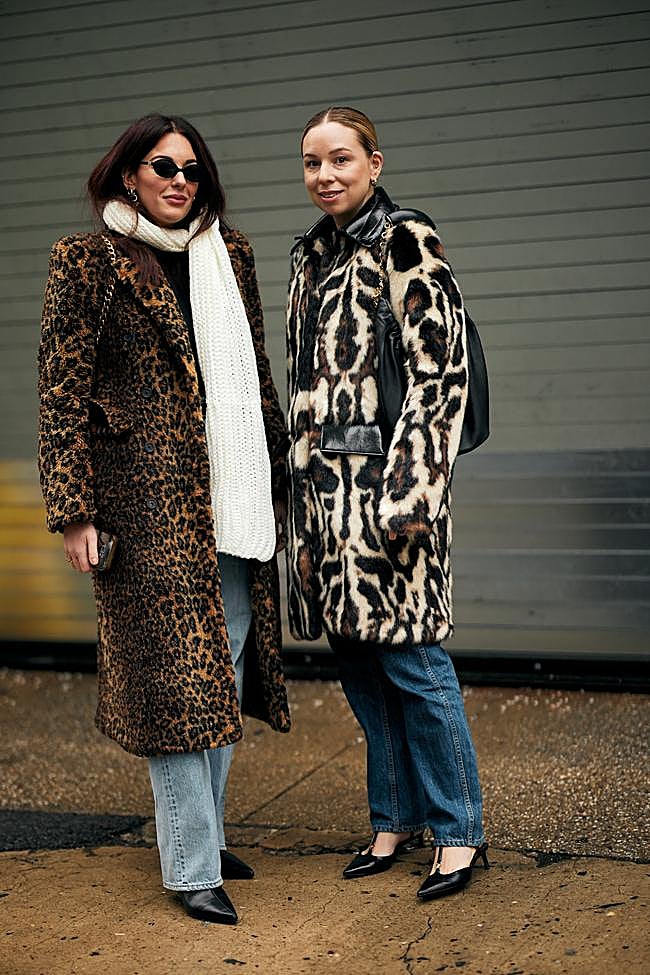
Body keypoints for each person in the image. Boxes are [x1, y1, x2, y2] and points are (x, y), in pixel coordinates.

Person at [38, 114, 291, 924]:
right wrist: (73, 511)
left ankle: (205, 836)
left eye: (191, 168)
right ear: (128, 177)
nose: (179, 179)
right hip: (141, 508)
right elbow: (60, 395)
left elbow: (253, 375)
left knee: (222, 666)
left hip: (233, 496)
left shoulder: (231, 256)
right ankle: (190, 866)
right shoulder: (86, 262)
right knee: (175, 683)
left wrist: (282, 477)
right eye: (161, 166)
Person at [285, 106, 487, 901]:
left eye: (340, 159)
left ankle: (461, 830)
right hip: (324, 507)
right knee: (364, 672)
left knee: (417, 668)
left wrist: (409, 497)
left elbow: (442, 375)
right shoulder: (309, 258)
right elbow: (305, 390)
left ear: (374, 161)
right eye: (311, 162)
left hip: (389, 500)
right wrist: (298, 507)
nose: (325, 175)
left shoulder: (407, 239)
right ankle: (393, 819)